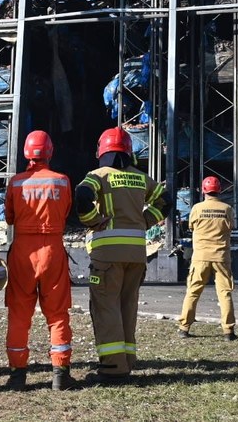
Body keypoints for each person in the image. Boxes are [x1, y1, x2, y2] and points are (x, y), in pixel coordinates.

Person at [74, 127, 170, 383]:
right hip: (137, 255)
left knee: (106, 307)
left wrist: (93, 220)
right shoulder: (141, 177)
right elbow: (166, 200)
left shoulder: (98, 175)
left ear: (102, 150)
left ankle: (113, 368)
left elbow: (82, 195)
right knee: (128, 306)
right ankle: (127, 360)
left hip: (107, 255)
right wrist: (145, 220)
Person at [3, 130, 76, 392]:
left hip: (23, 250)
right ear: (50, 151)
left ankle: (17, 375)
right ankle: (60, 373)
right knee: (57, 314)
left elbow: (9, 218)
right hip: (53, 249)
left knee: (19, 314)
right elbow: (66, 212)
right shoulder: (62, 181)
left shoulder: (15, 183)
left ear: (26, 152)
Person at [177, 176, 237, 340]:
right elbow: (231, 227)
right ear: (219, 190)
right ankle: (228, 332)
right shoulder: (227, 209)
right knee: (224, 293)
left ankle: (184, 328)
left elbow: (191, 226)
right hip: (222, 257)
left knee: (193, 292)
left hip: (201, 257)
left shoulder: (197, 208)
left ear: (203, 190)